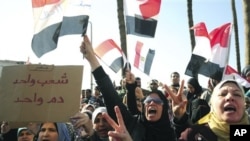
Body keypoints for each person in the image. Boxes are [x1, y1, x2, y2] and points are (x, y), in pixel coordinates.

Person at [80, 35, 176, 141]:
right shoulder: (132, 124)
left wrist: (181, 118)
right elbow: (109, 94)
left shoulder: (171, 133)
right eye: (148, 100)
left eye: (157, 101)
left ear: (164, 107)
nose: (152, 103)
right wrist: (92, 59)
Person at [165, 79, 250, 141]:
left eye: (237, 94)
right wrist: (180, 118)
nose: (229, 97)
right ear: (212, 103)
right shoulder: (193, 134)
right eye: (223, 94)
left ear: (244, 104)